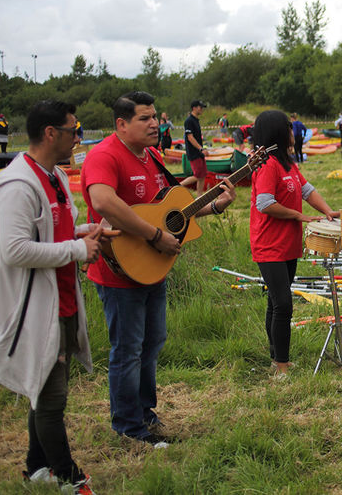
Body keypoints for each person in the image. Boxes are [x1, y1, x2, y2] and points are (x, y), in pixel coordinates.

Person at [82, 91, 237, 447]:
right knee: (128, 349)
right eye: (144, 118)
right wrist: (154, 236)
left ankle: (144, 415)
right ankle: (128, 428)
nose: (155, 124)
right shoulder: (104, 155)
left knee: (151, 344)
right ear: (121, 124)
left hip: (152, 268)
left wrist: (214, 207)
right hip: (120, 271)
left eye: (155, 117)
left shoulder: (151, 156)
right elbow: (104, 201)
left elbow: (170, 210)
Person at [0, 100, 102, 494]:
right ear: (51, 133)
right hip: (33, 310)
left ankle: (36, 468)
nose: (77, 138)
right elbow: (14, 250)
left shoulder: (56, 178)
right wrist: (77, 251)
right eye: (72, 130)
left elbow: (55, 231)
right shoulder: (17, 186)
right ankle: (69, 477)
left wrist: (85, 231)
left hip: (61, 301)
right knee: (52, 398)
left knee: (43, 388)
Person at [250, 110, 339, 378]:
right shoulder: (267, 165)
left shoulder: (288, 163)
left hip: (288, 245)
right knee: (284, 304)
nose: (294, 132)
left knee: (276, 302)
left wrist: (327, 211)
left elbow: (306, 190)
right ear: (278, 131)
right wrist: (300, 215)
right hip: (268, 245)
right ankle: (281, 367)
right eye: (289, 128)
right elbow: (264, 203)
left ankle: (276, 358)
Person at [182, 100, 208, 192]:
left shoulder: (196, 120)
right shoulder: (189, 121)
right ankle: (178, 186)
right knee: (198, 176)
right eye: (200, 107)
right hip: (194, 152)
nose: (202, 109)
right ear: (194, 108)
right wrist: (201, 149)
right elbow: (190, 137)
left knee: (203, 175)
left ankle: (199, 197)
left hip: (199, 152)